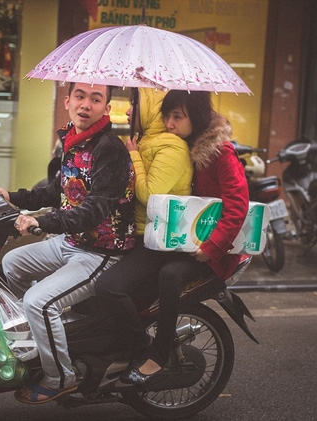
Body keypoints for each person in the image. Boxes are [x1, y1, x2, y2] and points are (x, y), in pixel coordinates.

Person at [0, 82, 136, 404]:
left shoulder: (109, 149)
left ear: (106, 108)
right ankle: (45, 337)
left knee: (37, 302)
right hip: (71, 242)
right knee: (11, 263)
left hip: (102, 252)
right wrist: (12, 198)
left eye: (96, 99)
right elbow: (54, 192)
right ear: (68, 100)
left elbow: (93, 210)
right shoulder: (73, 142)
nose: (86, 104)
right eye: (81, 96)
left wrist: (41, 222)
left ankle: (61, 376)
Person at [120, 89, 249, 385]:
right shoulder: (182, 146)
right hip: (185, 240)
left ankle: (159, 355)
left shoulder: (219, 152)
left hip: (213, 250)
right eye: (167, 116)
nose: (170, 124)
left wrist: (212, 247)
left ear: (198, 117)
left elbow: (238, 203)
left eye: (177, 117)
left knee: (169, 275)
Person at [93, 87, 193, 355]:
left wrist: (133, 155)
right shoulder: (147, 141)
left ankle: (146, 350)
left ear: (148, 109)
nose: (126, 111)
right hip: (138, 233)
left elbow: (151, 196)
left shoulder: (173, 148)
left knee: (108, 288)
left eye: (133, 104)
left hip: (159, 242)